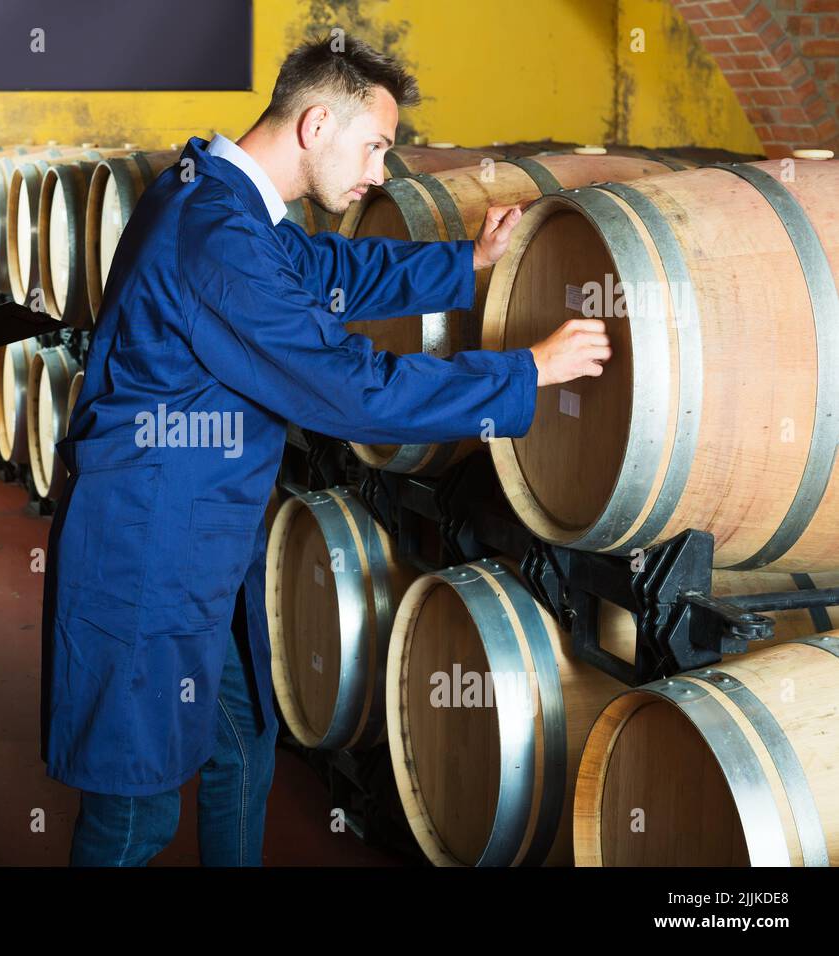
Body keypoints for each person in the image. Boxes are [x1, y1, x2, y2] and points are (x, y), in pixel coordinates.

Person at [41, 35, 610, 866]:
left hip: (200, 536)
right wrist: (526, 374)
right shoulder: (217, 237)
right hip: (148, 551)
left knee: (242, 749)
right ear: (316, 124)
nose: (383, 172)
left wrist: (467, 262)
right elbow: (355, 392)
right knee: (136, 810)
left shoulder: (222, 198)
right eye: (375, 145)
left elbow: (329, 268)